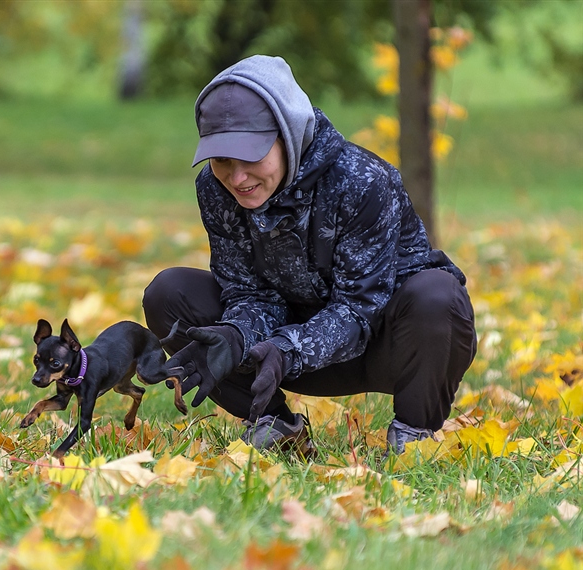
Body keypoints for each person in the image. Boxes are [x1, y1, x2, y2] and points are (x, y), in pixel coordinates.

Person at [142, 55, 477, 456]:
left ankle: (413, 438)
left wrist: (287, 350)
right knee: (168, 293)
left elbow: (359, 310)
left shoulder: (363, 180)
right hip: (284, 353)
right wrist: (234, 337)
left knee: (438, 295)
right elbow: (249, 293)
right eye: (221, 161)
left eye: (250, 156)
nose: (237, 178)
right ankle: (276, 425)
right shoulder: (216, 191)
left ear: (288, 133)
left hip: (392, 345)